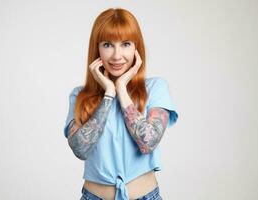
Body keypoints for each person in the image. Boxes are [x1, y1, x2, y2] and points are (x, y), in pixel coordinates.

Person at [63, 7, 178, 200]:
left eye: (125, 44)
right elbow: (80, 150)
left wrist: (122, 89)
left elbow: (148, 143)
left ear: (136, 48)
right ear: (97, 48)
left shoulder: (155, 88)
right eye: (108, 44)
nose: (117, 55)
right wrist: (109, 94)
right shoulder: (80, 96)